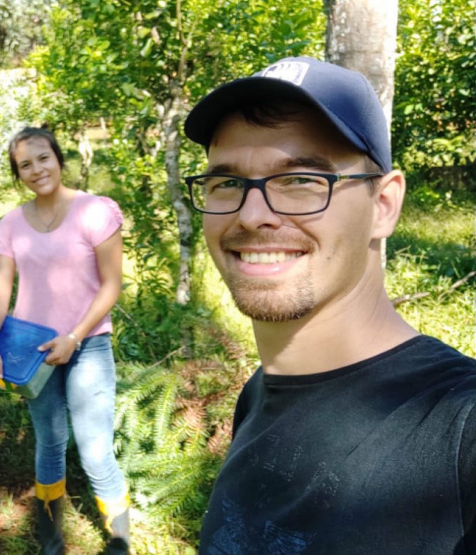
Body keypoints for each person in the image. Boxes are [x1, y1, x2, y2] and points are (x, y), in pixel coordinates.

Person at [182, 56, 476, 554]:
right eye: (227, 183)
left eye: (301, 180)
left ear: (383, 205)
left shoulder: (458, 427)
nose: (252, 215)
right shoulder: (258, 395)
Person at [0, 127, 131, 555]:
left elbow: (112, 284)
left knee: (95, 448)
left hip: (88, 344)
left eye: (43, 158)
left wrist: (74, 337)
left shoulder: (95, 211)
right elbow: (0, 287)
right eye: (25, 165)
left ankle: (120, 541)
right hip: (34, 352)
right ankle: (50, 537)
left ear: (59, 160)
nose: (37, 170)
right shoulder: (11, 224)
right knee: (49, 442)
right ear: (18, 174)